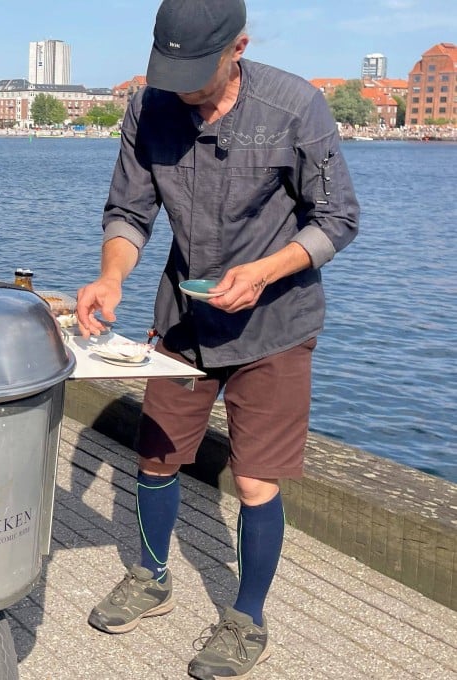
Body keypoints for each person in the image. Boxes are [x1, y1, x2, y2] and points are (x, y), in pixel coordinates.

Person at [75, 1, 359, 678]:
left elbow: (339, 218)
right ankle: (151, 578)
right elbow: (128, 211)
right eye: (171, 71)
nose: (184, 88)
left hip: (276, 322)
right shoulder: (149, 108)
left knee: (257, 480)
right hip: (183, 319)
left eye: (197, 72)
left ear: (239, 48)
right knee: (155, 457)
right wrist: (112, 277)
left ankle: (246, 619)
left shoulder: (296, 106)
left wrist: (264, 271)